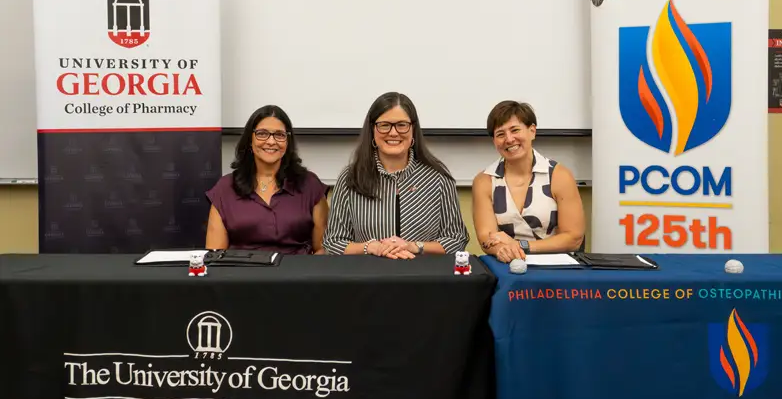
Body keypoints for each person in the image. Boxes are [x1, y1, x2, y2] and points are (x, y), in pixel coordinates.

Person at [322, 92, 469, 259]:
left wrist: (415, 246)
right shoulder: (351, 178)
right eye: (384, 125)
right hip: (368, 278)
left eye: (402, 125)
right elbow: (333, 242)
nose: (393, 133)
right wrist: (371, 247)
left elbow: (457, 239)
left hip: (425, 278)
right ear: (372, 130)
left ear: (413, 129)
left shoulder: (438, 179)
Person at [205, 105, 329, 254]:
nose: (271, 142)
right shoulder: (225, 189)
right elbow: (216, 255)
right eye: (262, 134)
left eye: (279, 135)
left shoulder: (310, 185)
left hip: (297, 274)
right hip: (243, 274)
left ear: (288, 141)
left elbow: (322, 249)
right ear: (250, 140)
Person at [472, 100, 585, 262]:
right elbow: (486, 238)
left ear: (532, 131)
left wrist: (521, 246)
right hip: (507, 265)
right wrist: (502, 249)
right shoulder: (484, 181)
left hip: (556, 267)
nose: (509, 139)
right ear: (494, 141)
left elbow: (573, 239)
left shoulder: (559, 175)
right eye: (500, 134)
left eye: (515, 130)